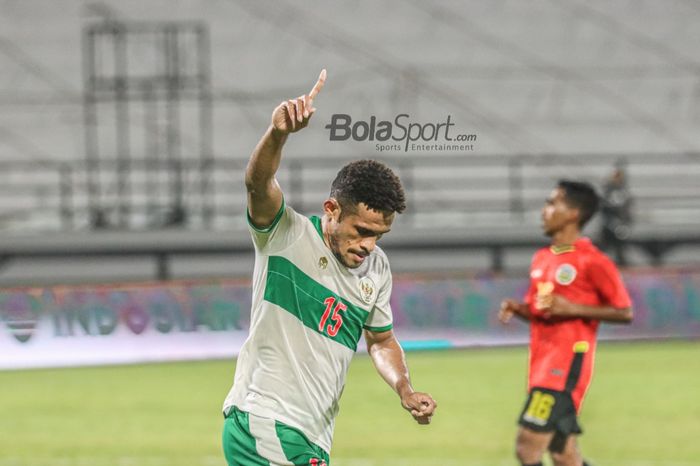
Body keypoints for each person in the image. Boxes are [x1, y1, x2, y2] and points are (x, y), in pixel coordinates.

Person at [221, 70, 437, 466]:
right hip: (266, 422)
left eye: (379, 235)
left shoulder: (377, 269)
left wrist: (404, 388)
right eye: (361, 231)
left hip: (312, 436)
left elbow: (381, 341)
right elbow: (257, 183)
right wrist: (278, 134)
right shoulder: (285, 236)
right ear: (332, 210)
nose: (368, 245)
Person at [498, 180, 633, 466]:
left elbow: (624, 312)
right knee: (564, 455)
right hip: (541, 365)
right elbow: (541, 312)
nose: (544, 210)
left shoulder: (592, 261)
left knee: (527, 448)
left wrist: (573, 307)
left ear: (573, 213)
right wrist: (519, 309)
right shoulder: (542, 258)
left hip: (565, 367)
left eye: (551, 203)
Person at [599, 165, 633, 266]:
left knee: (621, 251)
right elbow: (603, 209)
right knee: (604, 251)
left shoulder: (624, 192)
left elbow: (627, 211)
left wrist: (625, 224)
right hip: (608, 227)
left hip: (621, 227)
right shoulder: (607, 191)